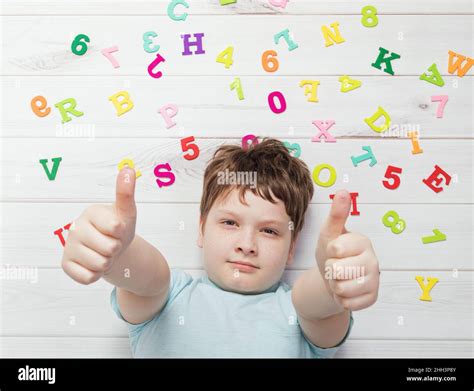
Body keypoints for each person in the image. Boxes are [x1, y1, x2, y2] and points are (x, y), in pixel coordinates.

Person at [61, 138, 380, 357]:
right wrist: (118, 254)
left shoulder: (299, 311)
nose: (246, 245)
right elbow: (148, 279)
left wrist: (331, 280)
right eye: (230, 223)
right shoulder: (169, 297)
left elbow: (315, 303)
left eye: (269, 231)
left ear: (292, 246)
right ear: (201, 228)